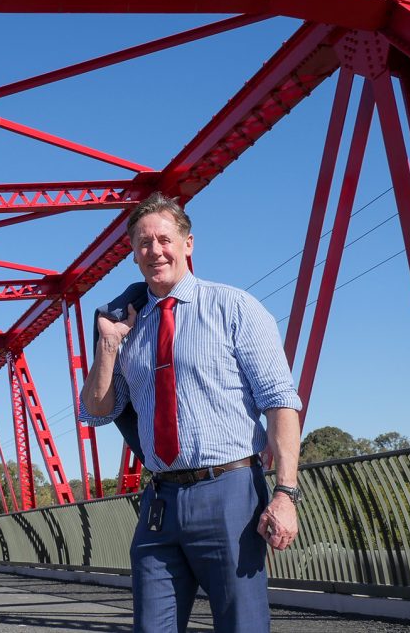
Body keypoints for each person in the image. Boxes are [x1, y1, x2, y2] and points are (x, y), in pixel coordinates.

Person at [79, 192, 302, 633]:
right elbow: (97, 411)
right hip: (161, 501)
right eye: (144, 243)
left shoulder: (234, 307)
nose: (155, 250)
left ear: (188, 244)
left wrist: (286, 493)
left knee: (242, 625)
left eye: (164, 239)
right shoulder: (127, 328)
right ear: (133, 253)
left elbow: (280, 400)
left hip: (230, 491)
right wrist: (108, 343)